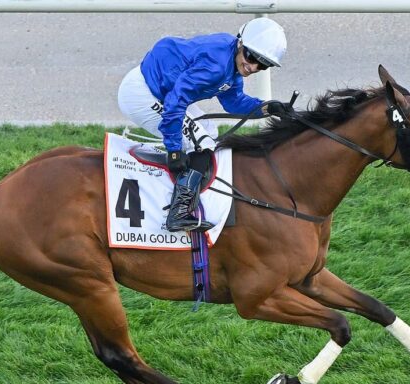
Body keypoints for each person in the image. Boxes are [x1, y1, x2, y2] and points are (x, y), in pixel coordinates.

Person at [117, 17, 292, 232]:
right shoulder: (217, 66)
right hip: (143, 95)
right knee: (202, 143)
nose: (253, 67)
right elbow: (175, 103)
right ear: (241, 43)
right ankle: (178, 213)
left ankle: (190, 188)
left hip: (162, 90)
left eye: (263, 65)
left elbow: (234, 102)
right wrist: (174, 150)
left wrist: (268, 107)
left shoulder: (231, 60)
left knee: (209, 131)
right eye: (251, 57)